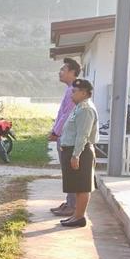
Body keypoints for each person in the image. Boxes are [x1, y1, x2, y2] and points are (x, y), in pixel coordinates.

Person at [58, 79, 99, 228]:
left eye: (74, 92)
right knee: (77, 185)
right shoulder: (79, 107)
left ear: (83, 92)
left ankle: (80, 217)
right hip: (74, 150)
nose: (71, 95)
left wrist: (76, 155)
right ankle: (76, 215)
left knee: (82, 186)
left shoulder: (86, 109)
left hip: (81, 152)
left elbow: (83, 135)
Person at [49, 57, 81, 218]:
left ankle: (72, 205)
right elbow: (62, 113)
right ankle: (69, 203)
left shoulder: (72, 91)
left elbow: (67, 115)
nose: (60, 72)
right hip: (65, 135)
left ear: (72, 72)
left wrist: (56, 132)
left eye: (63, 69)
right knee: (67, 172)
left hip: (67, 137)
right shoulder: (70, 89)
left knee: (69, 172)